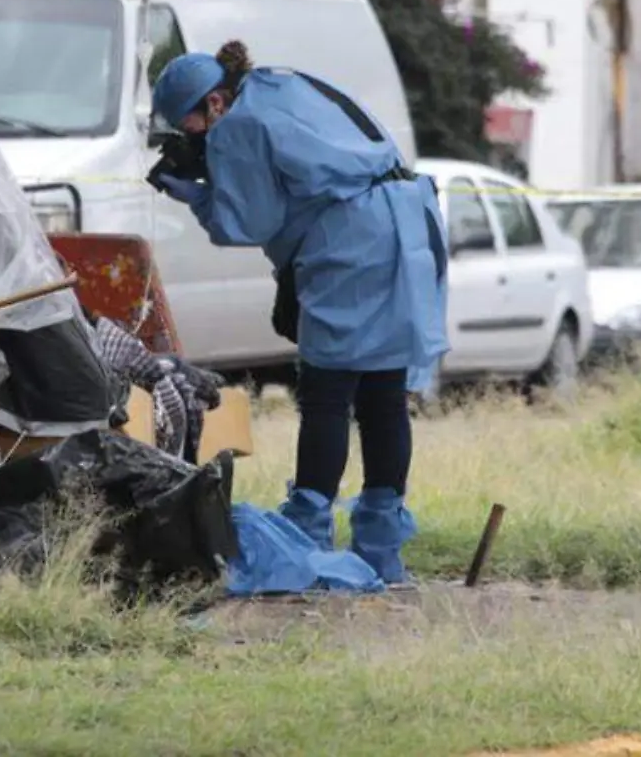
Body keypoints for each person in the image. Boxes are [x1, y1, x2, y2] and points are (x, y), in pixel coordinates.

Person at [150, 41, 448, 585]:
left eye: (190, 126)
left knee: (328, 394)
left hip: (353, 245)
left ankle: (307, 541)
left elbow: (250, 222)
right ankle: (381, 550)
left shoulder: (238, 123)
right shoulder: (277, 83)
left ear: (216, 102)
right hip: (407, 225)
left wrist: (196, 196)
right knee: (383, 394)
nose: (192, 138)